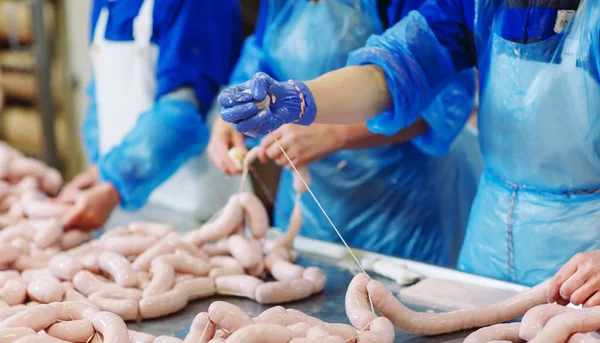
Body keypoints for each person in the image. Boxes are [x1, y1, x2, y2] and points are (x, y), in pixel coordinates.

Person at [220, 0, 600, 289]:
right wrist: (300, 99)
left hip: (588, 246)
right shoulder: (477, 4)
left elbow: (445, 104)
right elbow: (393, 72)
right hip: (492, 234)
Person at [210, 0, 482, 265]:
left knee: (397, 301)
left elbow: (442, 100)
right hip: (312, 201)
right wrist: (238, 109)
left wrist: (334, 133)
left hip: (397, 204)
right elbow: (260, 56)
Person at [59, 0, 242, 230]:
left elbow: (182, 114)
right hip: (119, 204)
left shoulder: (198, 5)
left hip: (193, 209)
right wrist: (100, 168)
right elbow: (100, 97)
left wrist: (116, 184)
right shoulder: (106, 5)